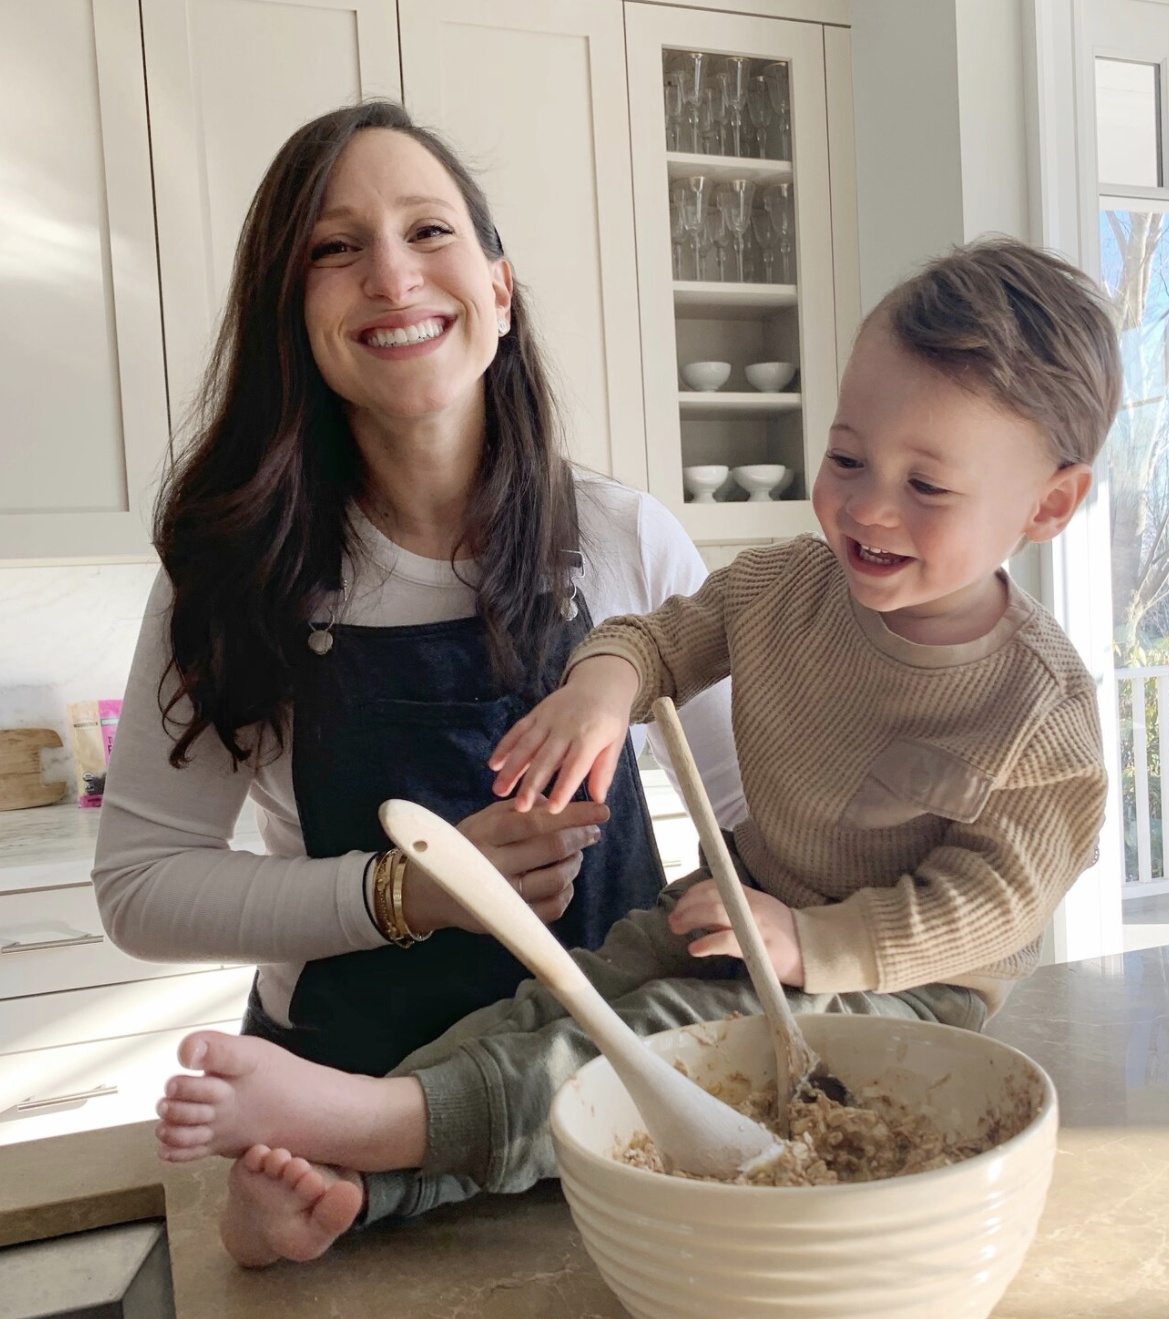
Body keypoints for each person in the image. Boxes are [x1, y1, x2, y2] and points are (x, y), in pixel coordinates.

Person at [155, 235, 1121, 1270]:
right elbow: (658, 638)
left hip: (901, 984)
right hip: (740, 907)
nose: (868, 506)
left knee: (648, 1041)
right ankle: (356, 1180)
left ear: (1049, 506)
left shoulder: (1040, 705)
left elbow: (997, 902)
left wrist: (812, 943)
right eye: (846, 457)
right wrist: (603, 688)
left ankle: (374, 1135)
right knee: (557, 994)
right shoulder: (787, 585)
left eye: (927, 486)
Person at [92, 100, 743, 1250]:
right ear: (292, 316)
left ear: (500, 289)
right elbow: (141, 885)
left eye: (428, 231)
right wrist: (406, 892)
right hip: (338, 1107)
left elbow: (754, 815)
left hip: (608, 1092)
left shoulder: (623, 540)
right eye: (334, 249)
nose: (391, 275)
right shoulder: (233, 578)